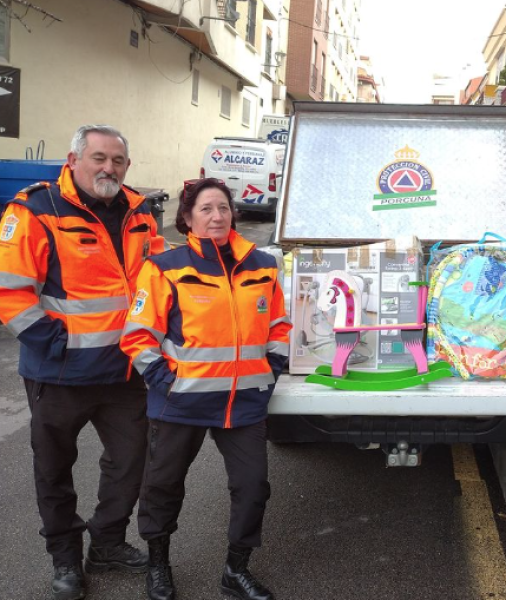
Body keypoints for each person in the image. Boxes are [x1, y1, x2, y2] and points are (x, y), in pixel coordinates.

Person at [0, 125, 164, 600]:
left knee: (131, 462)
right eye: (98, 158)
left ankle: (108, 543)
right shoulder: (35, 209)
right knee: (54, 469)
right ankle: (66, 558)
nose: (108, 168)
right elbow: (10, 291)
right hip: (59, 373)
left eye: (117, 160)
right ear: (73, 160)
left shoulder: (139, 211)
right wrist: (56, 344)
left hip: (126, 371)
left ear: (127, 167)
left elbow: (154, 282)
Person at [120, 178, 291, 600]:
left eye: (223, 208)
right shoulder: (164, 267)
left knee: (253, 487)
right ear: (188, 219)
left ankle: (236, 570)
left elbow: (280, 326)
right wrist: (166, 382)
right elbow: (137, 336)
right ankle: (158, 563)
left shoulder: (262, 265)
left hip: (244, 403)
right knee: (162, 487)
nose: (217, 216)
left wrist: (272, 367)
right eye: (206, 209)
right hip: (181, 403)